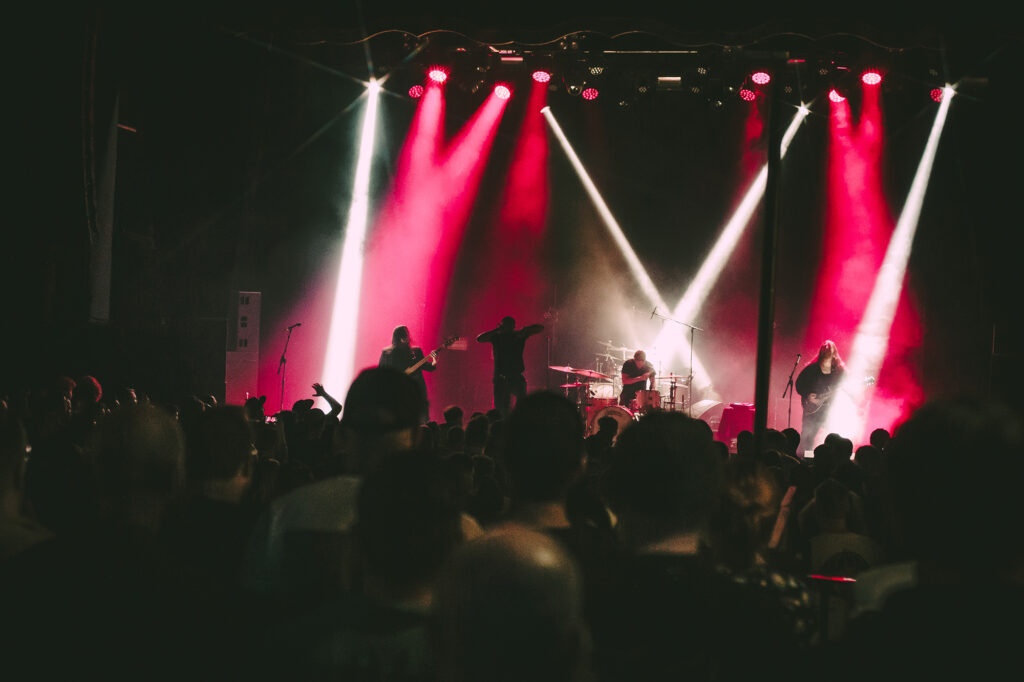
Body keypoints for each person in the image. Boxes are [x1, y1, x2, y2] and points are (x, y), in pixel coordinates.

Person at [476, 316, 544, 416]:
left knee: (522, 406)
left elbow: (540, 328)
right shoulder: (497, 337)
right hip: (501, 377)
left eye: (509, 325)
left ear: (513, 326)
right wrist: (497, 330)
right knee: (501, 409)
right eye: (505, 325)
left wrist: (525, 329)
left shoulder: (518, 335)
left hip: (515, 376)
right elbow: (479, 339)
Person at [379, 325, 436, 424]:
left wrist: (434, 359)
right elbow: (381, 372)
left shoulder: (415, 351)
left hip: (409, 390)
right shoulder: (387, 352)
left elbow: (428, 367)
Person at [795, 339, 846, 446]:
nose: (826, 348)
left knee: (834, 437)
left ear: (834, 353)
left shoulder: (840, 372)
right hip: (813, 410)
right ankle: (805, 459)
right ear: (820, 351)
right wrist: (808, 395)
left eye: (829, 347)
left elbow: (846, 388)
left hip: (831, 410)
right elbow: (799, 385)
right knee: (807, 437)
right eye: (824, 347)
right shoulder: (811, 369)